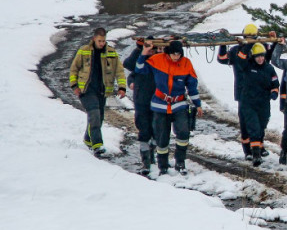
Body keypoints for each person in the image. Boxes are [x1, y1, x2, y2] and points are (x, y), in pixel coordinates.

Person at [134, 40, 203, 175]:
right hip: (160, 105)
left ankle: (180, 162)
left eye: (178, 54)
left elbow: (192, 86)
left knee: (183, 132)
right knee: (162, 137)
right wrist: (144, 52)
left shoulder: (186, 63)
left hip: (179, 104)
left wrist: (198, 104)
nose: (176, 57)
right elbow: (139, 68)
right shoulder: (157, 60)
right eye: (173, 54)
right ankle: (163, 165)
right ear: (168, 53)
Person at [217, 23, 275, 160]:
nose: (250, 39)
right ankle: (248, 150)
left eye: (252, 37)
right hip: (243, 92)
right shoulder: (237, 50)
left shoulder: (260, 47)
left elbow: (269, 57)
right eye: (248, 37)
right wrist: (223, 44)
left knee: (261, 121)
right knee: (245, 122)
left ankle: (259, 146)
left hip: (260, 91)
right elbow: (222, 59)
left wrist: (274, 42)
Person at [68, 27, 127, 156]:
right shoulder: (84, 51)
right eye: (99, 41)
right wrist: (74, 86)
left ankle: (88, 139)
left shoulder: (111, 53)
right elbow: (73, 70)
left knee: (98, 118)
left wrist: (122, 87)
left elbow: (119, 71)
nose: (101, 43)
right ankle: (97, 145)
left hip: (102, 91)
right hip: (86, 90)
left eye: (103, 41)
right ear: (94, 38)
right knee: (94, 114)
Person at [123, 36, 164, 175]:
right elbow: (128, 66)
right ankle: (146, 161)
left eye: (154, 49)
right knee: (144, 130)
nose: (153, 52)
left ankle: (153, 158)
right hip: (142, 101)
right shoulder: (140, 61)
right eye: (151, 49)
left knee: (156, 129)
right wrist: (140, 49)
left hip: (158, 101)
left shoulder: (160, 60)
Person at [239, 43, 279, 166]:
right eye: (257, 57)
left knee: (262, 126)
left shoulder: (269, 69)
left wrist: (274, 93)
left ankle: (259, 148)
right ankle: (256, 155)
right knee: (254, 128)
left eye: (262, 56)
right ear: (253, 57)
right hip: (248, 103)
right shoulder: (247, 66)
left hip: (264, 103)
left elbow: (275, 83)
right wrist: (249, 43)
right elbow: (241, 57)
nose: (260, 59)